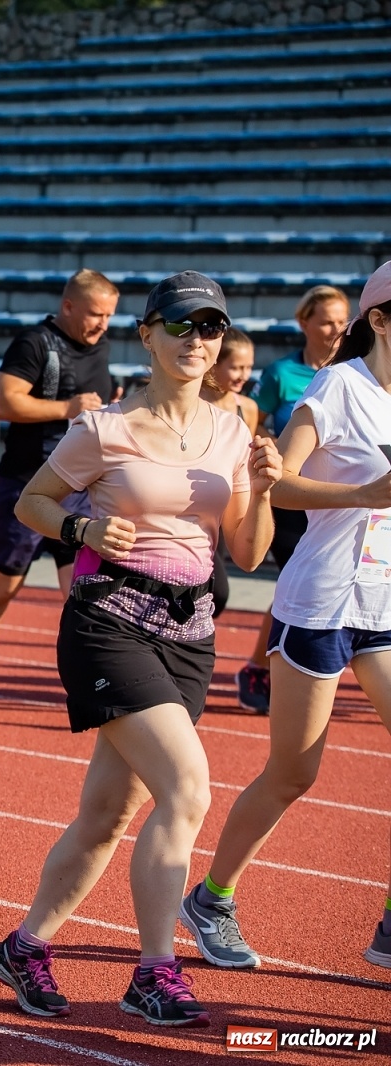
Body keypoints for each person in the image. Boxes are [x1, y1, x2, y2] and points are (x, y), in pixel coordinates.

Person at [0, 272, 280, 1028]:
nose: (197, 341)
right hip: (109, 622)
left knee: (109, 813)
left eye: (211, 328)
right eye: (181, 326)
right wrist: (82, 529)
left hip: (191, 636)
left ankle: (24, 946)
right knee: (187, 787)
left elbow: (247, 551)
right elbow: (33, 502)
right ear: (147, 335)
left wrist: (261, 487)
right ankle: (154, 971)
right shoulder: (105, 428)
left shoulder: (235, 427)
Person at [182, 261, 391, 973]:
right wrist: (369, 492)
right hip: (326, 600)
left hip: (387, 604)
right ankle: (213, 895)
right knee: (293, 773)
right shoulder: (339, 387)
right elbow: (282, 486)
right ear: (382, 321)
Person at [0, 269, 121, 717]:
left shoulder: (100, 345)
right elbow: (2, 403)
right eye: (94, 314)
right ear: (68, 307)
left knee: (80, 591)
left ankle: (89, 681)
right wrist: (67, 408)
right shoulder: (34, 344)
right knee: (4, 587)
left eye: (109, 316)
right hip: (27, 485)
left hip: (77, 488)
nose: (102, 324)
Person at [238, 285, 353, 713]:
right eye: (326, 320)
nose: (336, 329)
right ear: (304, 322)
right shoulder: (283, 374)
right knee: (296, 580)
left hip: (338, 501)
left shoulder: (356, 375)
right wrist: (268, 450)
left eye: (343, 320)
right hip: (293, 498)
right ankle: (260, 666)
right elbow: (251, 421)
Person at [200, 327, 260, 617]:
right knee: (215, 588)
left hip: (226, 503)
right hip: (193, 501)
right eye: (235, 367)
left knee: (215, 590)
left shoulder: (246, 408)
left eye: (248, 367)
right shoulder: (194, 402)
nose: (243, 375)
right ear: (214, 364)